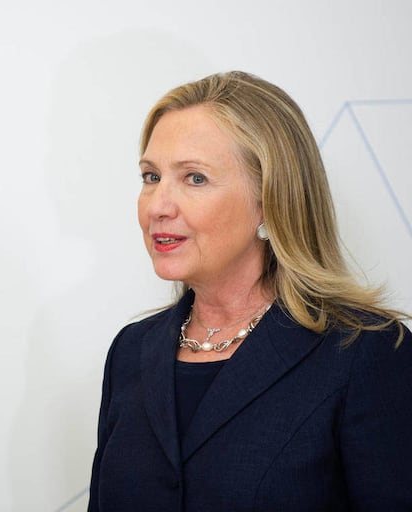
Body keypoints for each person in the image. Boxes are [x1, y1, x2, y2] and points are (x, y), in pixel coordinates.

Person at [88, 71, 412, 511]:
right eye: (151, 176)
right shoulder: (130, 352)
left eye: (194, 178)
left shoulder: (365, 352)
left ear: (269, 200)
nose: (158, 206)